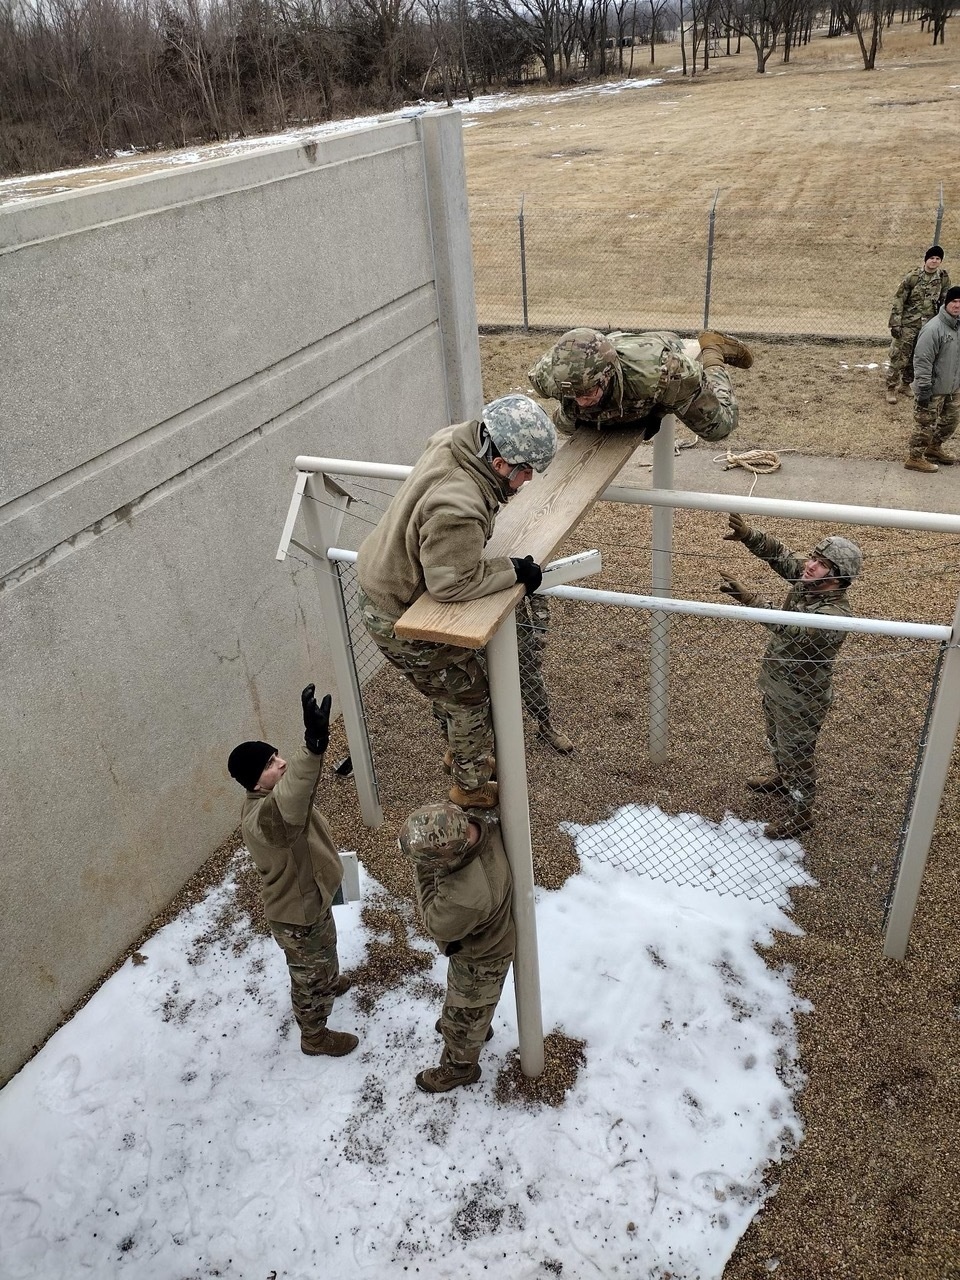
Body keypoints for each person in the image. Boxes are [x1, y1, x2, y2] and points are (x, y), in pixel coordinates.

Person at [356, 395, 558, 809]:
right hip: (400, 613)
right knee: (467, 696)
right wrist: (515, 570)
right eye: (525, 472)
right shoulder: (459, 506)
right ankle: (470, 787)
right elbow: (451, 584)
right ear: (500, 464)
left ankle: (458, 752)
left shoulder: (455, 441)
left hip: (387, 586)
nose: (528, 482)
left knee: (447, 686)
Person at [227, 685, 359, 1057]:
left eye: (277, 756)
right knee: (308, 980)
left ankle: (329, 979)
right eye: (270, 764)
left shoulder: (273, 799)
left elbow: (298, 791)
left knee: (326, 950)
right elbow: (295, 795)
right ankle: (314, 1036)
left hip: (312, 900)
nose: (281, 763)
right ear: (254, 781)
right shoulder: (265, 819)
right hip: (297, 916)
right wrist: (313, 746)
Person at [719, 516, 862, 841]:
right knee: (776, 740)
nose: (810, 566)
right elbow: (780, 555)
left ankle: (801, 815)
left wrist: (752, 601)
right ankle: (783, 779)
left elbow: (792, 627)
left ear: (837, 577)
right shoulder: (810, 581)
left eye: (821, 564)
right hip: (777, 684)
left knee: (798, 755)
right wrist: (748, 535)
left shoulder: (834, 616)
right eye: (813, 558)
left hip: (802, 700)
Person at [399, 802, 515, 1094]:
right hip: (491, 940)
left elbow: (435, 922)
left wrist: (424, 871)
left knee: (463, 1013)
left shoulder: (465, 895)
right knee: (476, 1005)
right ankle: (477, 1026)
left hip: (481, 956)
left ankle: (460, 1067)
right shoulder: (482, 822)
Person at [527, 328, 753, 443]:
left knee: (719, 428)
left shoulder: (663, 372)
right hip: (613, 346)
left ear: (608, 375)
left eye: (588, 392)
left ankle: (715, 347)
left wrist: (657, 409)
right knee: (566, 425)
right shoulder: (547, 376)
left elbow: (691, 381)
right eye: (573, 394)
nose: (582, 401)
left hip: (652, 357)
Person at [904, 285, 960, 473]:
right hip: (933, 387)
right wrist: (924, 387)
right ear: (946, 303)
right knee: (925, 424)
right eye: (954, 301)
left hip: (952, 387)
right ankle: (915, 458)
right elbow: (922, 360)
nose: (957, 305)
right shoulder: (933, 328)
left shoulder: (958, 326)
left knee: (950, 421)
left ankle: (934, 448)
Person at [886, 246, 950, 405]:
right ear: (926, 260)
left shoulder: (942, 278)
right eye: (932, 258)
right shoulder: (913, 277)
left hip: (928, 326)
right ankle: (891, 387)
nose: (934, 261)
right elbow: (899, 300)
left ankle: (906, 384)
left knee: (918, 356)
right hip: (908, 324)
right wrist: (895, 323)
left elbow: (945, 301)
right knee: (899, 355)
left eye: (937, 259)